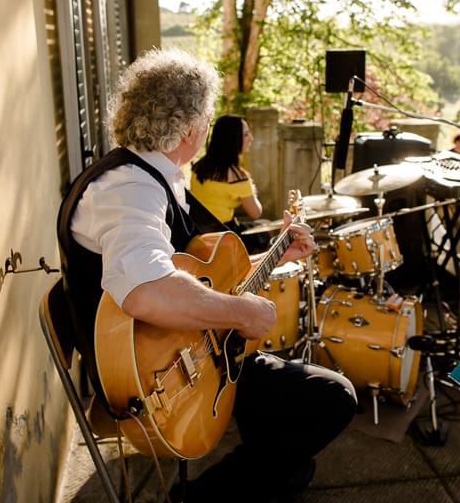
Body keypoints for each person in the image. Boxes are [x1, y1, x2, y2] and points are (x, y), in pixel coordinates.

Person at [57, 49, 357, 503]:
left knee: (294, 416)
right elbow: (145, 291)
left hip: (193, 348)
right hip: (159, 376)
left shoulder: (155, 174)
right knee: (333, 399)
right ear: (191, 128)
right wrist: (241, 311)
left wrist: (277, 256)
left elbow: (199, 279)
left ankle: (265, 475)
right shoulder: (128, 188)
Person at [190, 114, 270, 253]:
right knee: (267, 226)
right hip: (224, 234)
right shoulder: (238, 177)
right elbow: (256, 213)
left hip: (197, 231)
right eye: (245, 135)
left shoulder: (199, 167)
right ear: (233, 140)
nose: (251, 138)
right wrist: (249, 186)